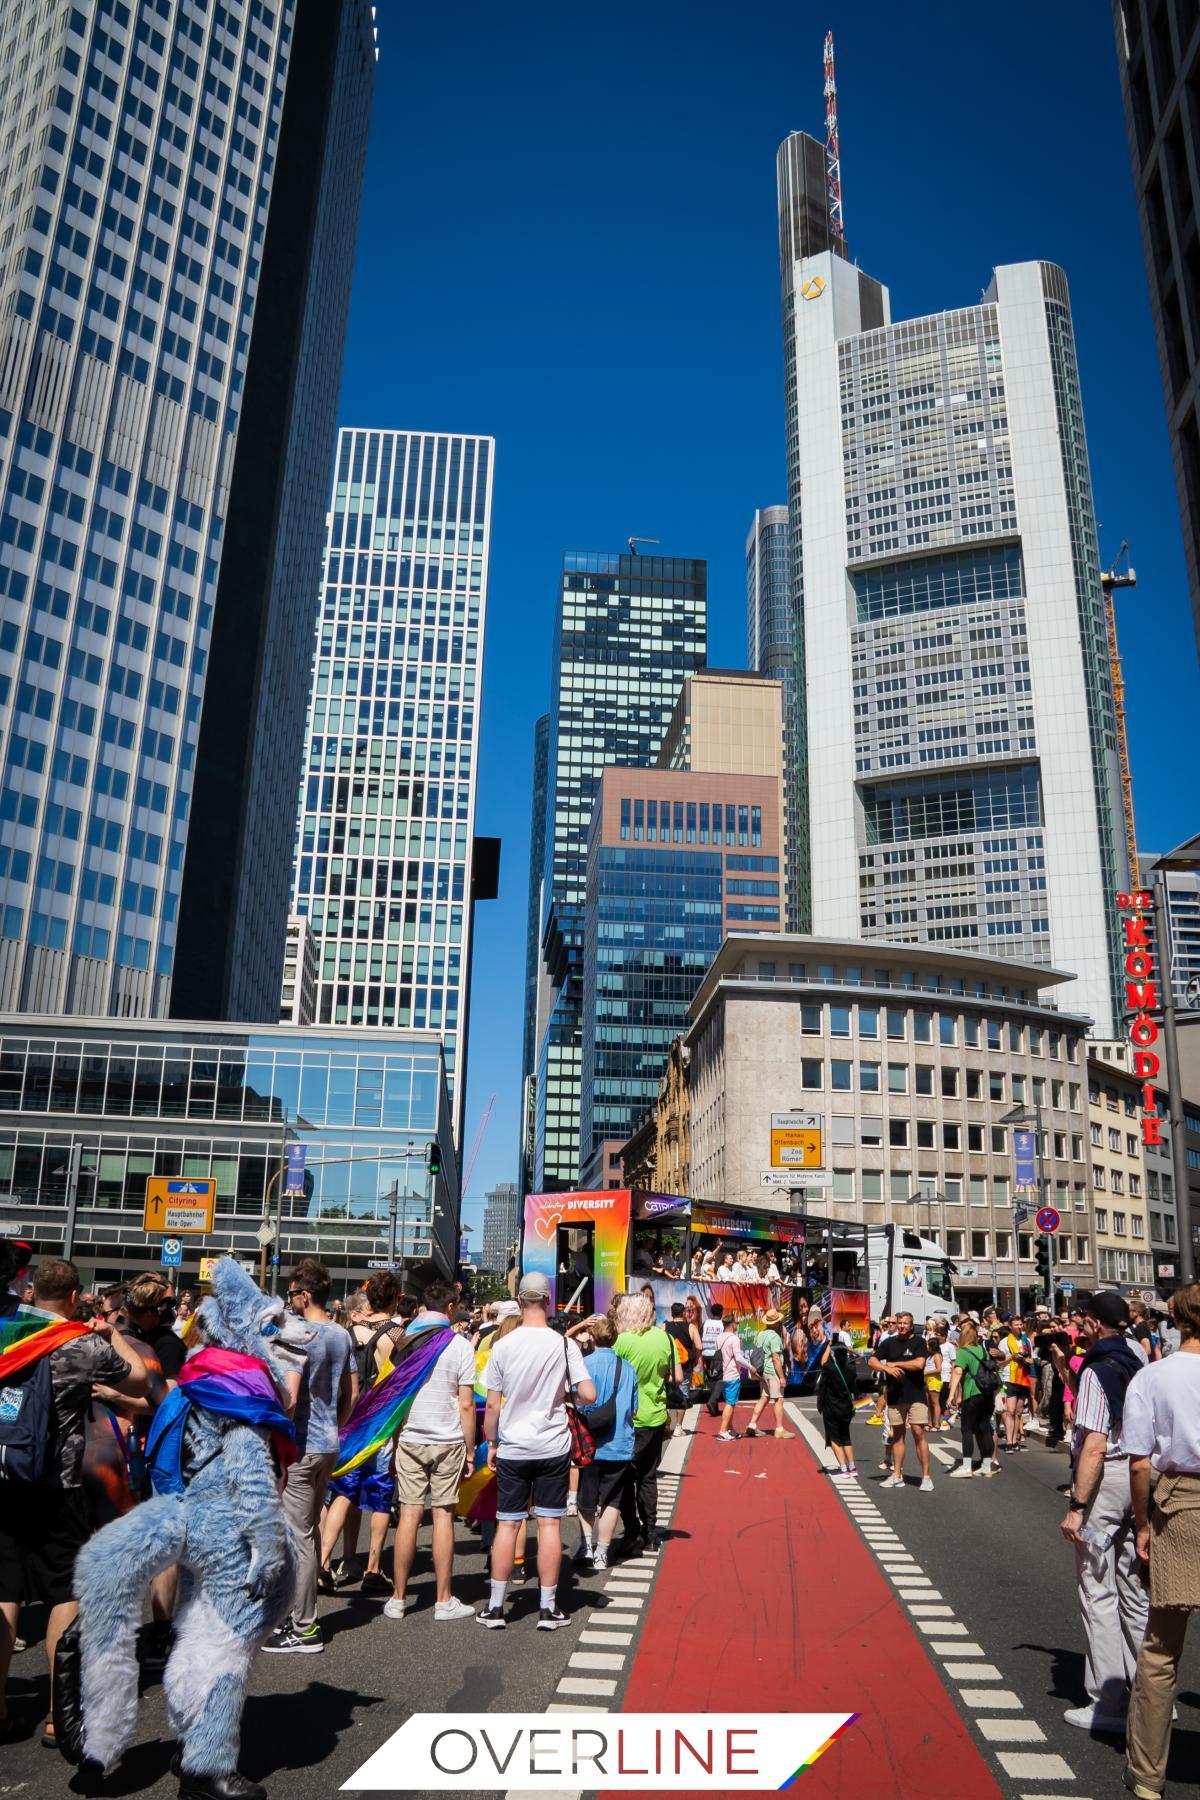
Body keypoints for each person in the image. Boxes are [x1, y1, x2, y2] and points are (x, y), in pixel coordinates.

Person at [0, 1257, 148, 1745]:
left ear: (31, 1291)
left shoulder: (6, 1333)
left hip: (4, 1478)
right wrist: (109, 1334)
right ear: (72, 1296)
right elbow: (138, 1382)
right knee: (64, 1593)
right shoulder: (79, 1343)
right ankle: (55, 1714)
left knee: (4, 1592)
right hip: (56, 1486)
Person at [478, 1270, 594, 1629]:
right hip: (552, 1445)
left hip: (513, 1445)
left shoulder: (503, 1346)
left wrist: (492, 1443)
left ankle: (496, 1607)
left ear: (520, 1300)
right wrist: (565, 1396)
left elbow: (493, 1405)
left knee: (508, 1526)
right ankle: (548, 1608)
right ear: (546, 1300)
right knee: (548, 1525)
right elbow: (588, 1394)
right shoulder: (563, 1344)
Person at [1122, 1282, 1200, 1799]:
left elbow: (1141, 1461)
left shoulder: (1153, 1376)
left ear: (1173, 1319)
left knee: (1160, 1648)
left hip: (1181, 1505)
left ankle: (1148, 1776)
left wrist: (1143, 1524)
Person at [1059, 1290, 1148, 1733]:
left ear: (1093, 1323)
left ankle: (1108, 1702)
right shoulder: (1138, 1355)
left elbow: (1094, 1442)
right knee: (1135, 1588)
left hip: (1107, 1478)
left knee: (1097, 1588)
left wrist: (1077, 1506)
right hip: (1139, 1475)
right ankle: (1153, 1697)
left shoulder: (1095, 1367)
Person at [263, 1259, 355, 1654]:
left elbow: (288, 1397)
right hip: (328, 1443)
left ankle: (304, 1627)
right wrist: (335, 1425)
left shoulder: (295, 1334)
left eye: (292, 1293)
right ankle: (301, 1617)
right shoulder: (340, 1334)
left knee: (298, 1536)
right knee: (309, 1533)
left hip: (299, 1445)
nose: (291, 1300)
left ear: (303, 1293)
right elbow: (351, 1393)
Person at [383, 1278, 477, 1624]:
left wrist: (392, 1445)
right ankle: (443, 1599)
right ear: (451, 1308)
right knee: (443, 1515)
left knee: (409, 1515)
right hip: (448, 1439)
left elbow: (394, 1399)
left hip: (410, 1436)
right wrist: (470, 1451)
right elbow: (466, 1404)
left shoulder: (406, 1342)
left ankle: (398, 1598)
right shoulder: (460, 1345)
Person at [320, 1273, 406, 1593]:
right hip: (379, 1421)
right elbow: (398, 1387)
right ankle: (372, 1567)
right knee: (380, 1493)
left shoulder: (347, 1331)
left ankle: (326, 1561)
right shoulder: (398, 1334)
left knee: (341, 1489)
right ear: (395, 1298)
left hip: (347, 1418)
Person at [575, 1314, 638, 1572]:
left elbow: (577, 1399)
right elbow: (633, 1410)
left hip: (590, 1442)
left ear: (592, 1337)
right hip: (619, 1442)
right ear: (615, 1338)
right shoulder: (628, 1368)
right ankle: (603, 1552)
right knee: (612, 1500)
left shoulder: (584, 1364)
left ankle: (586, 1547)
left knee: (586, 1499)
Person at [612, 1292, 674, 1553]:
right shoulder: (664, 1337)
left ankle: (632, 1531)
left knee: (625, 1477)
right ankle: (651, 1532)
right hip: (657, 1415)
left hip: (629, 1418)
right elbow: (669, 1375)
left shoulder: (623, 1341)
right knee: (648, 1476)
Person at [869, 1310, 933, 1491]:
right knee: (897, 1436)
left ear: (911, 1325)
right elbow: (872, 1361)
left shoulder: (919, 1342)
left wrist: (895, 1364)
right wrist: (885, 1368)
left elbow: (919, 1364)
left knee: (918, 1432)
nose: (903, 1326)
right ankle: (897, 1475)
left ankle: (926, 1477)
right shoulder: (889, 1342)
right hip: (895, 1395)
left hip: (916, 1394)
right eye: (900, 1323)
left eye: (906, 1323)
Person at [946, 1319, 1000, 1476]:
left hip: (973, 1393)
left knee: (967, 1429)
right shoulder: (982, 1350)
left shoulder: (963, 1352)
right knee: (984, 1429)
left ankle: (967, 1466)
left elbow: (957, 1372)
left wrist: (951, 1395)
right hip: (987, 1394)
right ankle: (986, 1466)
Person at [815, 1317, 857, 1475]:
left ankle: (843, 1467)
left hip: (830, 1407)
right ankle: (852, 1466)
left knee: (834, 1437)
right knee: (846, 1436)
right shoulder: (852, 1370)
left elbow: (823, 1362)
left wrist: (828, 1347)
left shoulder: (830, 1369)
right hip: (846, 1407)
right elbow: (856, 1390)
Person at [745, 1307, 788, 1439]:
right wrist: (781, 1377)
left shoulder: (761, 1334)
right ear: (775, 1323)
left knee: (764, 1398)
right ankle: (779, 1429)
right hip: (772, 1371)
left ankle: (752, 1424)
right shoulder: (774, 1337)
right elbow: (775, 1358)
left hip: (762, 1371)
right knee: (779, 1399)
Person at [715, 1313, 751, 1442]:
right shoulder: (734, 1339)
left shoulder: (719, 1338)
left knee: (729, 1402)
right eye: (737, 1322)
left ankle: (730, 1429)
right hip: (732, 1375)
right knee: (730, 1404)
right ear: (732, 1324)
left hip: (722, 1376)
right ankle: (723, 1431)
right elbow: (739, 1358)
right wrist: (751, 1367)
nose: (738, 1324)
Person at [663, 1301, 697, 1437]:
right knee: (682, 1395)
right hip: (685, 1367)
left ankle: (665, 1425)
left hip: (668, 1367)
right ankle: (678, 1427)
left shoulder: (664, 1326)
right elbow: (699, 1346)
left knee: (664, 1395)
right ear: (683, 1313)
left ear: (671, 1313)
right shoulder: (691, 1327)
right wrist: (695, 1357)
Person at [700, 1300, 725, 1417]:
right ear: (721, 1313)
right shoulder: (722, 1324)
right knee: (720, 1379)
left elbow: (700, 1336)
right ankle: (712, 1401)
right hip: (717, 1355)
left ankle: (714, 1408)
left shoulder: (706, 1323)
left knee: (711, 1380)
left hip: (706, 1354)